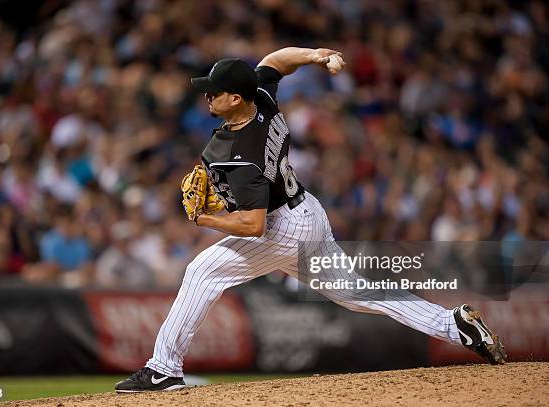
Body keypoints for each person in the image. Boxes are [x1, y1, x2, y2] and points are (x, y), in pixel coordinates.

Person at [114, 47, 506, 392]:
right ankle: (454, 325)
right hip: (305, 212)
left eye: (213, 92)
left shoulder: (242, 153)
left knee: (202, 271)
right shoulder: (261, 100)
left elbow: (253, 227)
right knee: (356, 294)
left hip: (279, 228)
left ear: (235, 98)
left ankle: (163, 369)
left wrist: (203, 219)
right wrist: (316, 54)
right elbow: (272, 62)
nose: (206, 95)